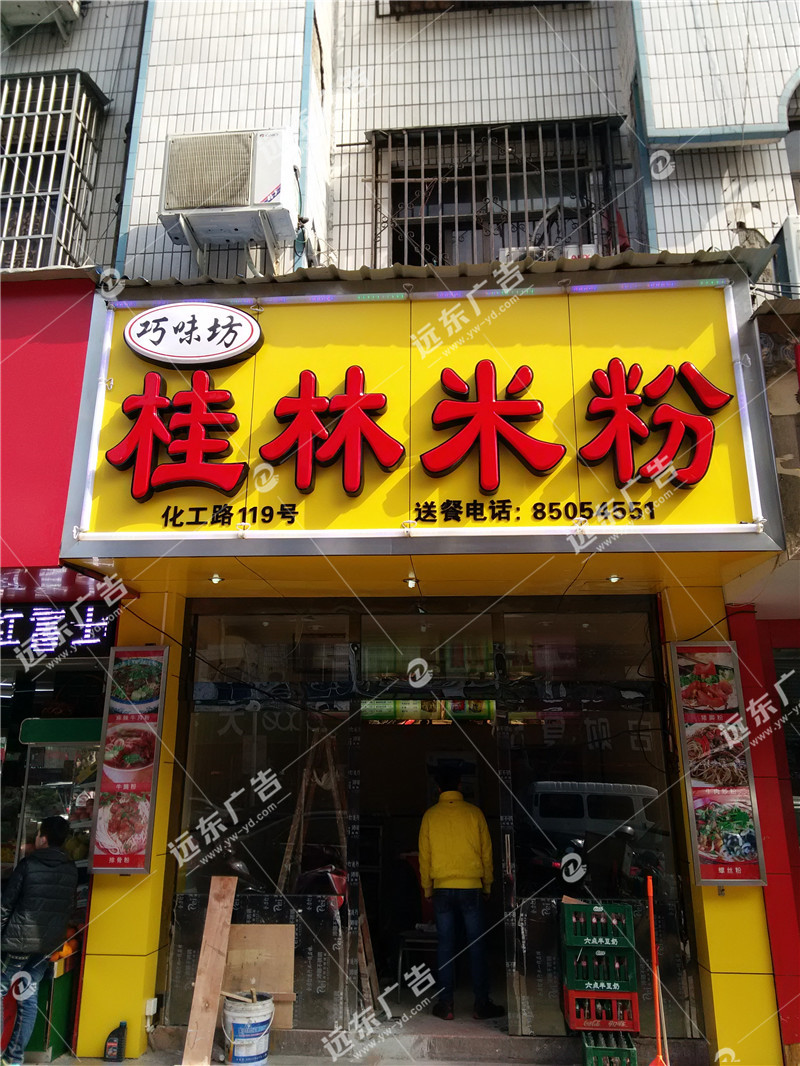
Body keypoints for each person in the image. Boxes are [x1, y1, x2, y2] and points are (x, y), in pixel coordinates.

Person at [418, 766, 504, 1021]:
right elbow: (487, 853)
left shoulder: (430, 816)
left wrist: (427, 888)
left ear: (438, 788)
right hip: (471, 887)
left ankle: (446, 1005)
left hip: (442, 888)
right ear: (459, 785)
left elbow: (425, 857)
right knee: (477, 944)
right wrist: (487, 885)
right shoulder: (474, 814)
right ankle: (481, 1004)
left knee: (445, 944)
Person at [1, 817, 78, 1066]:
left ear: (43, 838)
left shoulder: (29, 864)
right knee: (28, 995)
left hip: (19, 942)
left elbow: (6, 904)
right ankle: (14, 1058)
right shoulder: (71, 868)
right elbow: (69, 907)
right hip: (47, 945)